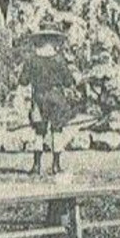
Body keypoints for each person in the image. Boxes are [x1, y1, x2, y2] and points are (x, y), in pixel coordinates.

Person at [19, 23, 78, 177]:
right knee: (56, 131)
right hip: (56, 97)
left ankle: (37, 165)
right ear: (54, 41)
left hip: (39, 97)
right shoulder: (59, 60)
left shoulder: (31, 60)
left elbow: (23, 81)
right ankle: (56, 165)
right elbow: (68, 81)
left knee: (39, 132)